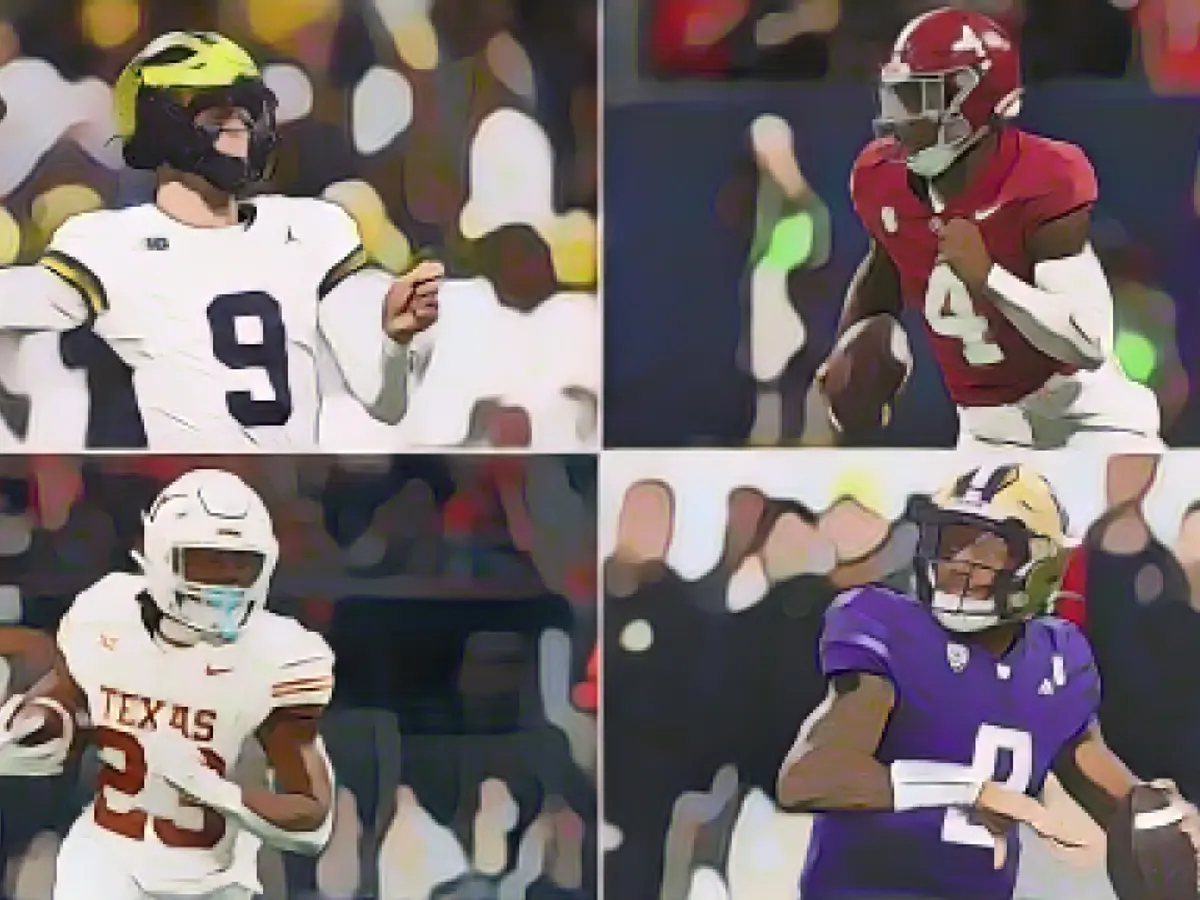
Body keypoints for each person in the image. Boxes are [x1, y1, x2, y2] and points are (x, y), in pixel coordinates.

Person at [777, 462, 1198, 900]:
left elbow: (1118, 801)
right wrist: (972, 790)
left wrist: (1166, 821)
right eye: (952, 541)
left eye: (987, 548)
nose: (960, 562)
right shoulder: (891, 628)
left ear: (1040, 564)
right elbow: (810, 777)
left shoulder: (1056, 660)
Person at [0, 32, 440, 450]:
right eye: (215, 114)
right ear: (158, 126)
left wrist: (394, 342)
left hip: (288, 489)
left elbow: (387, 404)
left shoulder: (314, 229)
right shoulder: (108, 244)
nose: (239, 128)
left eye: (246, 112)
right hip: (177, 492)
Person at [823, 7, 1161, 452]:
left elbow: (1087, 341)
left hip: (1082, 412)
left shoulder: (1043, 176)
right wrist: (848, 349)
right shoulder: (880, 177)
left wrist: (989, 279)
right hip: (989, 427)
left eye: (917, 98)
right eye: (896, 96)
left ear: (973, 99)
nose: (901, 117)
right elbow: (885, 261)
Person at [0, 468, 337, 900]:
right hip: (108, 863)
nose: (228, 580)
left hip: (215, 880)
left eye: (242, 563)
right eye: (208, 560)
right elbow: (67, 706)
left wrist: (220, 795)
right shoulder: (107, 614)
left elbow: (312, 819)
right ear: (161, 556)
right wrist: (36, 724)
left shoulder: (279, 655)